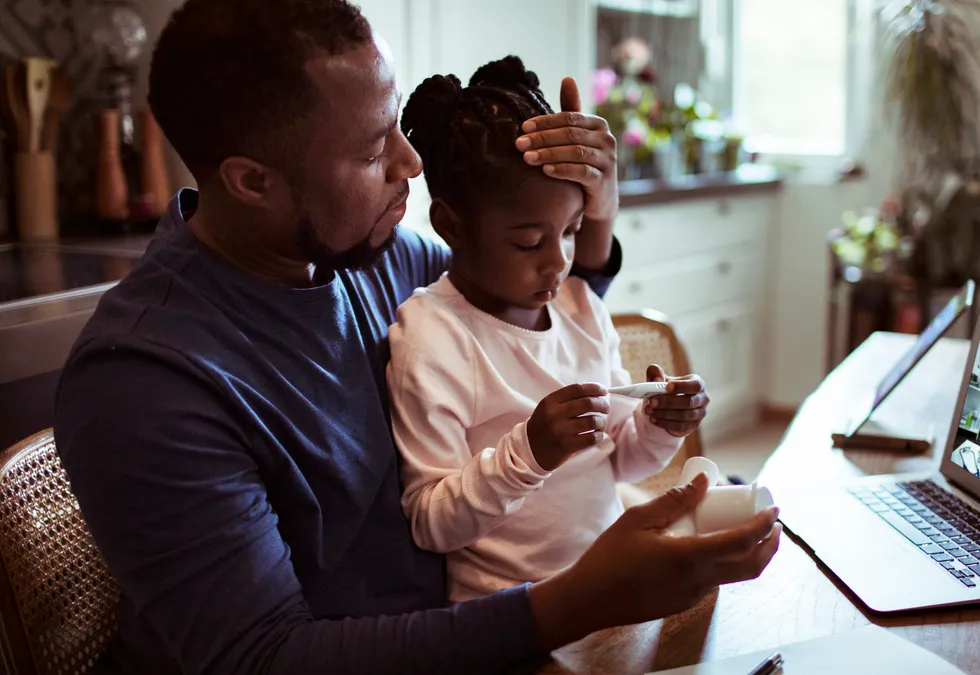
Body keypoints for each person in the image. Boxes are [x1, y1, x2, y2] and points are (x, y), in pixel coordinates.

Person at [51, 1, 780, 673]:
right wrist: (578, 600)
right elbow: (263, 657)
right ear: (252, 181)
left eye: (398, 125)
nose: (411, 163)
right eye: (373, 151)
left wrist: (595, 216)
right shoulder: (146, 382)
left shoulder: (372, 255)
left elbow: (520, 320)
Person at [389, 57, 703, 602]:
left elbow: (621, 463)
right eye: (529, 242)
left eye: (572, 232)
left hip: (610, 587)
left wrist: (659, 425)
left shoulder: (580, 306)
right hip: (511, 616)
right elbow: (430, 523)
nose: (558, 262)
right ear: (451, 225)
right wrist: (529, 452)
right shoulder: (432, 337)